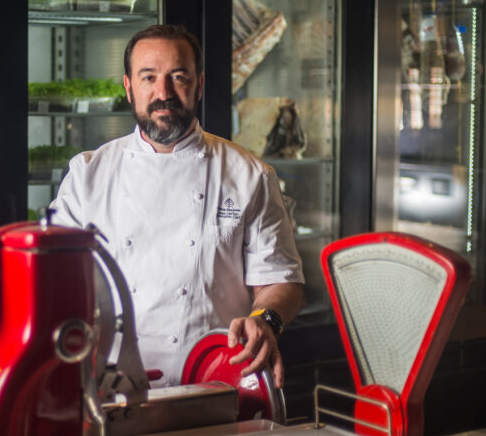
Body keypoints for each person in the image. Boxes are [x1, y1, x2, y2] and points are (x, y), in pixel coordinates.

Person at [49, 24, 304, 388]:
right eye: (148, 77)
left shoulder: (249, 175)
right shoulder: (88, 174)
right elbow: (51, 278)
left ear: (200, 84)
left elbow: (282, 281)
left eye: (178, 77)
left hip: (212, 382)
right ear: (128, 87)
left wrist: (266, 319)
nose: (162, 93)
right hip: (108, 384)